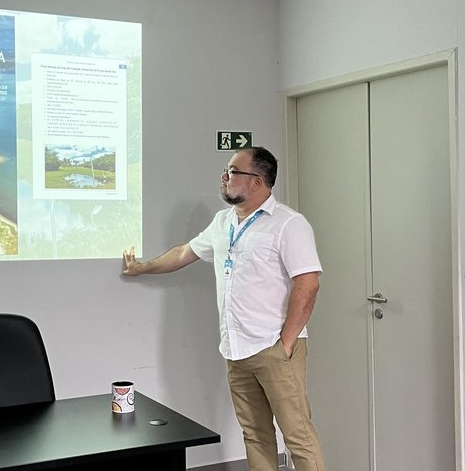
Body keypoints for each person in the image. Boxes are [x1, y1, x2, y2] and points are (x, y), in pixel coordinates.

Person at [122, 147, 326, 471]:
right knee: (255, 435)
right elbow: (183, 253)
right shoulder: (223, 221)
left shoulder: (289, 225)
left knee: (297, 436)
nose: (224, 177)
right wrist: (142, 267)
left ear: (257, 181)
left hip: (275, 348)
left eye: (232, 171)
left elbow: (308, 284)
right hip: (236, 350)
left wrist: (285, 344)